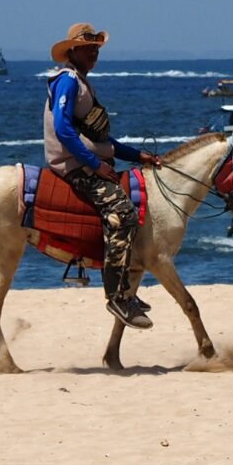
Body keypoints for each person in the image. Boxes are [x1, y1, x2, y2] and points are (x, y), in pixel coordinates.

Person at [43, 22, 161, 329]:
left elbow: (103, 143)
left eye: (97, 48)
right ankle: (117, 297)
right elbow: (63, 130)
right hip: (74, 166)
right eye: (89, 48)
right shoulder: (67, 82)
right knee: (123, 213)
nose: (95, 53)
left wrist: (138, 156)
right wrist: (95, 166)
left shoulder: (82, 82)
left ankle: (126, 286)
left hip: (87, 161)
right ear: (74, 51)